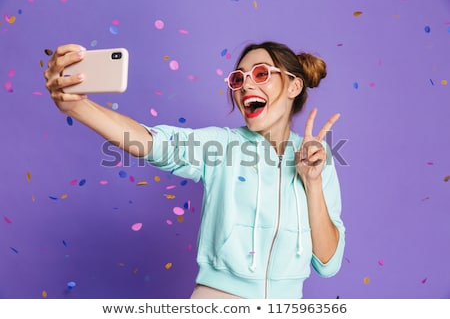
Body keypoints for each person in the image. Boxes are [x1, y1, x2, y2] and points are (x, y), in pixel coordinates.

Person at [44, 41, 345, 299]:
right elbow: (154, 143)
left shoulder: (317, 158)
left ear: (294, 85)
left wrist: (312, 181)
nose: (247, 86)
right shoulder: (221, 145)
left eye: (262, 74)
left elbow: (328, 264)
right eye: (238, 79)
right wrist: (77, 107)